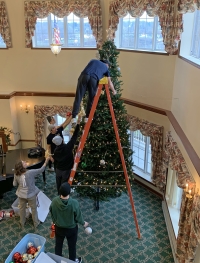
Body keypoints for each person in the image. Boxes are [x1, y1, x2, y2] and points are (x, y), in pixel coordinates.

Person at [50, 182, 89, 263]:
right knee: (72, 246)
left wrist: (54, 221)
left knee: (58, 245)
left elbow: (51, 212)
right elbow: (78, 216)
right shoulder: (74, 203)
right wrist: (83, 223)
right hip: (72, 229)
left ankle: (57, 260)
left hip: (59, 228)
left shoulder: (54, 201)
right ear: (69, 192)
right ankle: (72, 261)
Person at [71, 59, 117, 126]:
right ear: (106, 65)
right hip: (94, 79)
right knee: (91, 98)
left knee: (79, 96)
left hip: (84, 76)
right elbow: (110, 82)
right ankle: (87, 117)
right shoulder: (106, 69)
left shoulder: (93, 60)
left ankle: (74, 118)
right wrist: (114, 91)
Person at [13, 157, 49, 229]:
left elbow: (14, 184)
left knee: (22, 209)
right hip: (31, 195)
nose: (26, 162)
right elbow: (41, 169)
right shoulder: (30, 172)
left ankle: (22, 222)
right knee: (34, 209)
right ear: (22, 167)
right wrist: (46, 161)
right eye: (24, 162)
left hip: (21, 195)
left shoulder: (16, 174)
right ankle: (35, 223)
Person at [52, 115, 82, 194]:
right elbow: (75, 136)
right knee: (64, 183)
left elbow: (55, 161)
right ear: (62, 140)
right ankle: (63, 195)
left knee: (58, 182)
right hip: (66, 170)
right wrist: (78, 123)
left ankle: (59, 194)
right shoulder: (68, 147)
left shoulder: (55, 150)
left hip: (58, 170)